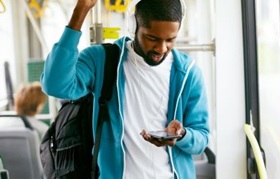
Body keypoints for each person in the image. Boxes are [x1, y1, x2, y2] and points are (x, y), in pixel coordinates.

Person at [40, 0, 210, 178]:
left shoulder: (188, 73)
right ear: (133, 26)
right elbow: (55, 84)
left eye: (170, 40)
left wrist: (182, 135)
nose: (161, 48)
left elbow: (202, 138)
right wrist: (80, 11)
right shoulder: (102, 60)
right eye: (152, 38)